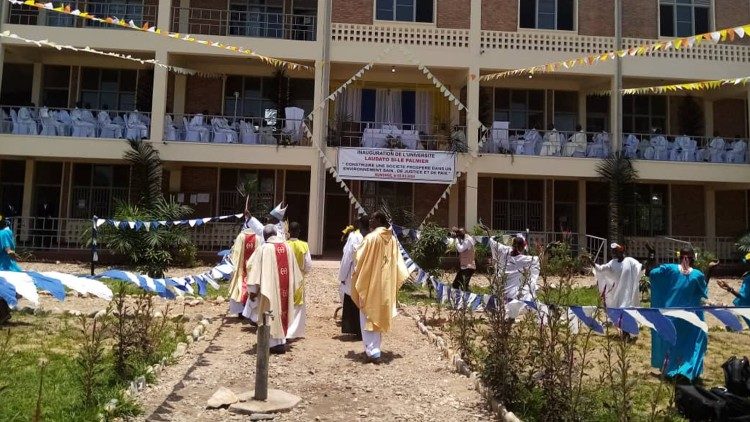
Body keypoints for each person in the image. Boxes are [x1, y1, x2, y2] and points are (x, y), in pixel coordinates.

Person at [646, 245, 717, 382]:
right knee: (690, 344)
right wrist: (709, 271)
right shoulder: (695, 274)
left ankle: (673, 370)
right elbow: (702, 292)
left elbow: (650, 272)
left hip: (673, 316)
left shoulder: (670, 269)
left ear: (679, 258)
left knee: (673, 344)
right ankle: (684, 371)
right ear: (693, 259)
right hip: (688, 318)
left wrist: (652, 256)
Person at [350, 212, 409, 363]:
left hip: (371, 282)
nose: (370, 222)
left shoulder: (370, 238)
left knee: (368, 314)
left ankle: (372, 351)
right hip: (385, 283)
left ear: (378, 220)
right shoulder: (392, 240)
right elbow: (398, 264)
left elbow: (359, 257)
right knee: (379, 313)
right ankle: (375, 347)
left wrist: (355, 271)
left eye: (372, 219)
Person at [243, 225, 303, 354]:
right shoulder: (287, 247)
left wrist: (253, 291)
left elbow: (254, 270)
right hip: (285, 289)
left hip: (269, 289)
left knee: (269, 311)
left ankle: (270, 344)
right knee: (282, 311)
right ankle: (281, 342)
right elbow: (295, 271)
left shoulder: (264, 249)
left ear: (265, 236)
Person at [485, 228, 539, 301]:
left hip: (498, 288)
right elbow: (536, 260)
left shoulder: (504, 250)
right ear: (522, 247)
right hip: (512, 293)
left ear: (512, 245)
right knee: (527, 295)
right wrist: (539, 250)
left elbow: (493, 243)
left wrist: (489, 233)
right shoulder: (524, 259)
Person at [226, 217, 263, 320]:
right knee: (253, 288)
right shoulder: (258, 237)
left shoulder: (241, 237)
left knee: (239, 287)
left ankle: (240, 312)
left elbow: (236, 253)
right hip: (253, 268)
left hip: (241, 269)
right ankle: (251, 313)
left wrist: (234, 265)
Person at [339, 214, 369, 338]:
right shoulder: (372, 237)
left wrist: (342, 276)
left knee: (353, 300)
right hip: (367, 274)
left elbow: (347, 257)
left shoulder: (354, 237)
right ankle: (364, 329)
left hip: (354, 274)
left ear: (360, 224)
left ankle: (355, 329)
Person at [591, 243, 643, 309]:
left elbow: (639, 267)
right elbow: (600, 269)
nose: (614, 254)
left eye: (616, 252)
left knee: (629, 307)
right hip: (617, 291)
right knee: (619, 308)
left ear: (621, 251)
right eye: (613, 252)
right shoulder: (612, 263)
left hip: (628, 290)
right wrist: (591, 262)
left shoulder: (630, 260)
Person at [286, 222, 311, 341]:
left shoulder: (284, 244)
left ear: (289, 232)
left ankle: (286, 329)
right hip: (299, 277)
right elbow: (308, 265)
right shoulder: (304, 245)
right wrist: (303, 272)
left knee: (287, 302)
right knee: (298, 304)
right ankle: (294, 332)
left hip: (285, 275)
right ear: (299, 231)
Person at [0, 215, 21, 324]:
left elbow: (7, 249)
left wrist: (11, 253)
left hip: (4, 267)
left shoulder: (3, 233)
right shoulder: (5, 232)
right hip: (5, 265)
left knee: (3, 291)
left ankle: (4, 314)